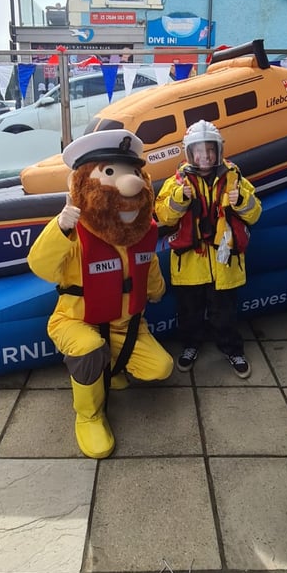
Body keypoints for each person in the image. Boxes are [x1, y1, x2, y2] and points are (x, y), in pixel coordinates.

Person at [28, 129, 173, 459]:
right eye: (111, 173)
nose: (131, 184)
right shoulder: (74, 234)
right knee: (90, 349)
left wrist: (156, 292)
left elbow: (147, 268)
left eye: (135, 173)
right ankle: (89, 415)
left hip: (125, 324)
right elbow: (41, 266)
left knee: (160, 367)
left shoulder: (140, 233)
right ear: (80, 185)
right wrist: (60, 228)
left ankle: (111, 370)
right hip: (75, 321)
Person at [155, 120, 261, 378]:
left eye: (210, 150)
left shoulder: (235, 177)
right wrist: (181, 198)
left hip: (224, 264)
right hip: (189, 264)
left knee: (224, 313)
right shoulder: (177, 182)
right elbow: (163, 216)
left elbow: (255, 213)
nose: (205, 156)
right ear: (189, 153)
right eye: (199, 150)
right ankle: (190, 346)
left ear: (219, 151)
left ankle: (232, 349)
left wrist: (242, 201)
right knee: (189, 313)